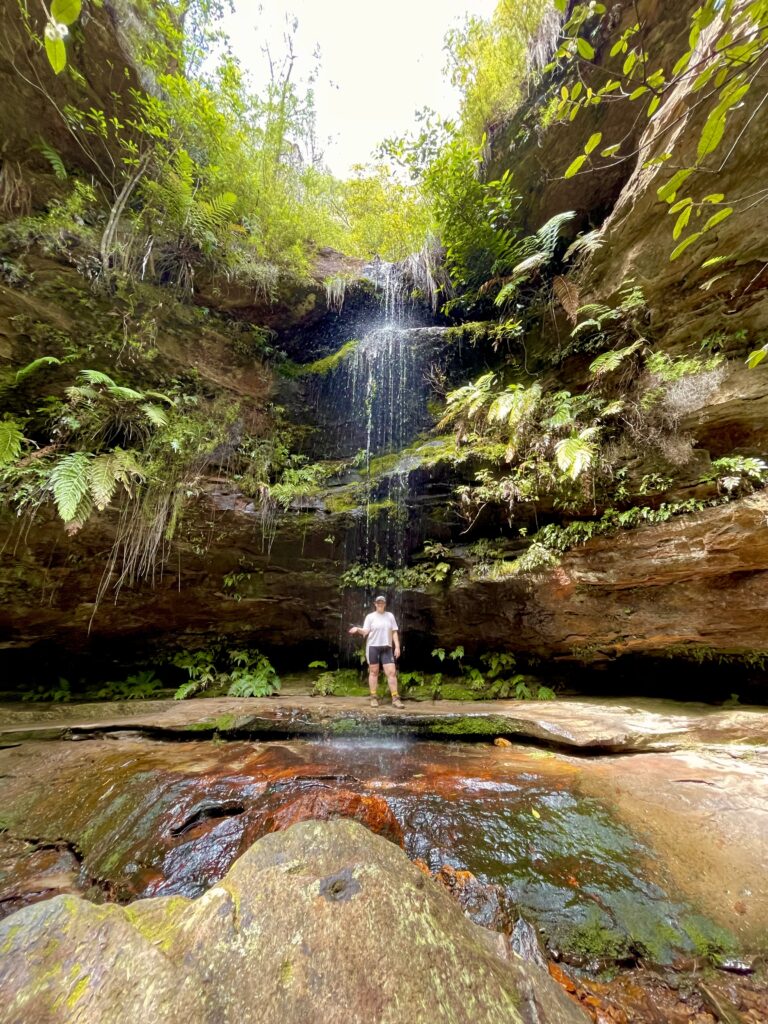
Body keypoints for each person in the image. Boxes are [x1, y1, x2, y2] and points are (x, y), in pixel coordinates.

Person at [348, 595, 404, 709]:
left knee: (392, 672)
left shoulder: (390, 616)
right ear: (375, 604)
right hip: (373, 646)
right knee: (373, 672)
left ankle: (395, 698)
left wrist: (397, 647)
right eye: (378, 602)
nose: (380, 604)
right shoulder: (370, 617)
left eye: (382, 602)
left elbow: (394, 632)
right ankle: (373, 697)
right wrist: (358, 629)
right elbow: (366, 631)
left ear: (385, 604)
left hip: (387, 647)